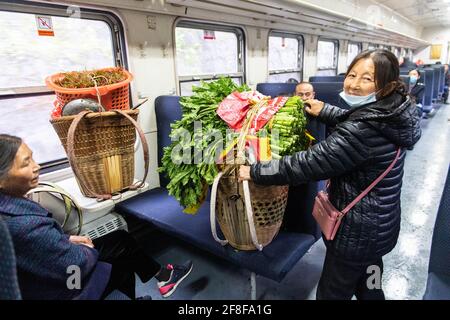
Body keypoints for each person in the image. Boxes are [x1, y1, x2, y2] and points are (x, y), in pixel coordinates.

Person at [239, 49, 421, 300]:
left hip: (355, 235)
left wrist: (255, 171)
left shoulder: (362, 130)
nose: (355, 84)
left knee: (332, 292)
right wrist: (325, 110)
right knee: (371, 282)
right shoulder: (395, 111)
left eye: (367, 79)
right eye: (352, 74)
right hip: (379, 228)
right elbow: (357, 120)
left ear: (387, 86)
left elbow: (308, 164)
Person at [0, 134, 193, 300]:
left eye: (33, 158)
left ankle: (163, 276)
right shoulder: (24, 224)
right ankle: (163, 277)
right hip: (67, 287)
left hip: (42, 278)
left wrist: (67, 239)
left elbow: (34, 247)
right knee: (120, 260)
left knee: (120, 240)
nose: (37, 166)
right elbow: (75, 264)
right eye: (26, 163)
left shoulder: (9, 208)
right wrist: (86, 249)